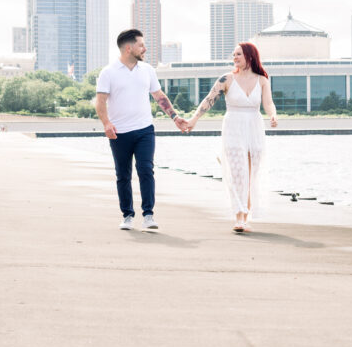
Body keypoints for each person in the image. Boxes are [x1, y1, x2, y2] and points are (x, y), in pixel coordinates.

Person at [96, 28, 188, 230]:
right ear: (129, 48)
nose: (144, 48)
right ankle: (127, 215)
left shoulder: (147, 70)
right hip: (119, 133)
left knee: (146, 169)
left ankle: (148, 214)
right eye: (141, 45)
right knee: (123, 174)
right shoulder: (108, 72)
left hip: (145, 129)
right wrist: (106, 124)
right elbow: (100, 102)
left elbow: (159, 95)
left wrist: (174, 117)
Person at [184, 42, 277, 232]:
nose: (234, 58)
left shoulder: (262, 80)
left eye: (239, 54)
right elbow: (209, 100)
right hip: (233, 127)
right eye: (234, 54)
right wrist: (194, 119)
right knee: (237, 173)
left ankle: (247, 214)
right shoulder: (226, 79)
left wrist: (273, 116)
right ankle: (239, 216)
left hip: (255, 127)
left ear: (250, 56)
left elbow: (268, 103)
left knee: (251, 174)